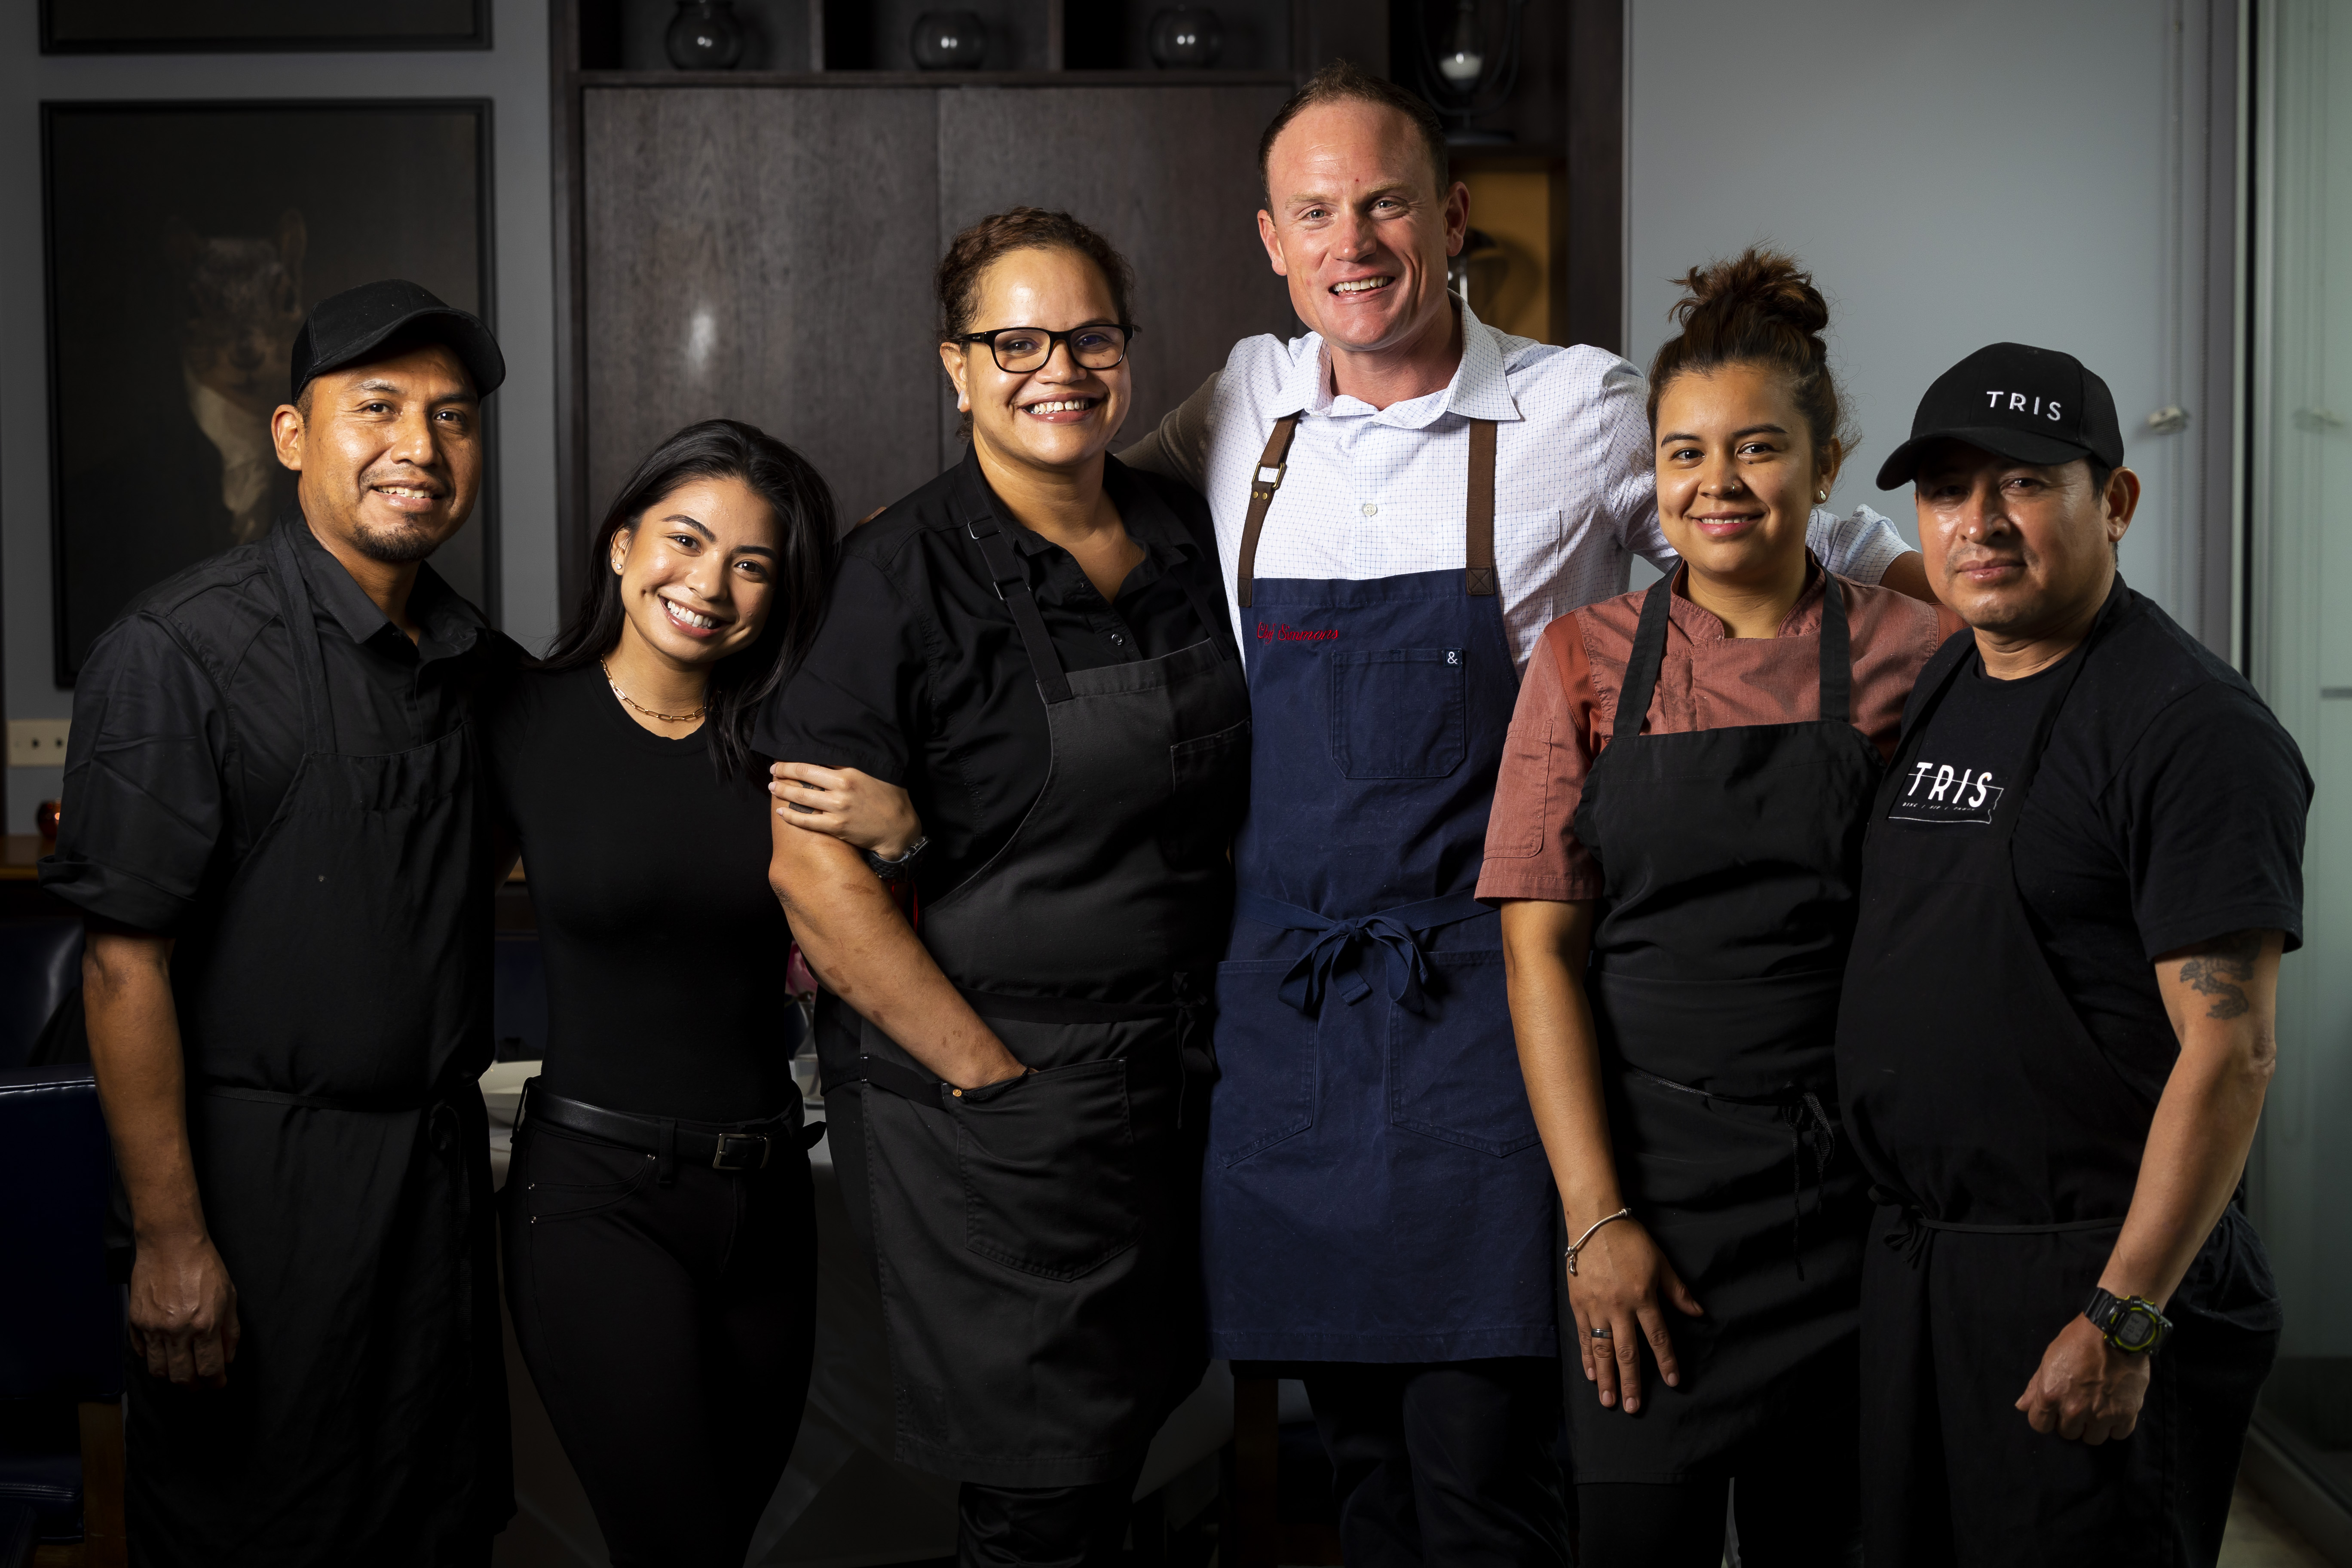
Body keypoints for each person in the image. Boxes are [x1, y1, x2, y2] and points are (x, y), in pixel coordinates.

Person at [1118, 63, 1933, 1565]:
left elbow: (1794, 541)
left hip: (1489, 1002)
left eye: (1383, 202)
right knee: (1354, 1466)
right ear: (1272, 241)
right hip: (1292, 1009)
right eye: (1317, 213)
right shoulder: (1246, 402)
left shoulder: (1572, 405)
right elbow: (1076, 499)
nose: (1352, 240)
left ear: (1453, 216)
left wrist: (2047, 654)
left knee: (1487, 1461)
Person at [761, 208, 1250, 1568]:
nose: (1060, 368)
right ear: (956, 366)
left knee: (1135, 1450)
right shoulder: (898, 572)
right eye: (1016, 341)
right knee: (1041, 1490)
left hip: (1170, 1067)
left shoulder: (1181, 530)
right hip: (996, 1085)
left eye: (1090, 336)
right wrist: (987, 1078)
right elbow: (812, 867)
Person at [1480, 252, 1954, 1565]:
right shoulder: (1586, 659)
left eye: (1758, 449)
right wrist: (1597, 1221)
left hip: (1857, 1208)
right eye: (1685, 453)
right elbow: (1539, 951)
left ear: (1829, 459)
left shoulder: (1918, 660)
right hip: (1649, 1203)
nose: (1719, 485)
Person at [42, 280, 517, 1565]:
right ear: (293, 434)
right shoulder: (178, 649)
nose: (422, 447)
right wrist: (171, 1242)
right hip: (254, 1201)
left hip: (431, 1199)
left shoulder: (485, 667)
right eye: (379, 409)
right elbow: (122, 964)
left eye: (455, 418)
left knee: (436, 1534)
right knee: (258, 1536)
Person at [1836, 343, 2308, 1568]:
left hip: (2092, 1271)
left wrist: (2126, 1318)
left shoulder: (2188, 726)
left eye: (2027, 483)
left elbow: (2235, 1051)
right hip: (1931, 1274)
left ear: (2117, 502)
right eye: (1947, 491)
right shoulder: (1954, 674)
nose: (1979, 523)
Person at [486, 420, 907, 1566]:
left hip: (768, 1201)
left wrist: (909, 831)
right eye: (684, 539)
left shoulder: (798, 742)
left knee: (721, 1546)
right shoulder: (517, 721)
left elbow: (903, 918)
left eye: (753, 564)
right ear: (622, 546)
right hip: (595, 1200)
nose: (710, 585)